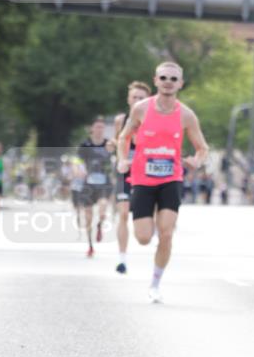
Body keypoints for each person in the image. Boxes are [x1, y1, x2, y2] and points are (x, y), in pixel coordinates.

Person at [116, 60, 209, 302]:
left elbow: (202, 148)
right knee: (144, 237)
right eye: (164, 78)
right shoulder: (141, 109)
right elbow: (124, 138)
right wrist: (122, 159)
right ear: (156, 81)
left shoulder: (186, 115)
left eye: (173, 79)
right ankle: (152, 225)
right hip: (143, 180)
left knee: (166, 234)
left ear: (180, 84)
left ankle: (155, 284)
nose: (168, 82)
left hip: (171, 178)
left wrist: (196, 161)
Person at [110, 81, 151, 274]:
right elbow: (119, 140)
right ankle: (122, 258)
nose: (137, 101)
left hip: (146, 172)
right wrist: (118, 155)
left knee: (143, 218)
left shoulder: (152, 119)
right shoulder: (121, 120)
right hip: (125, 172)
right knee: (124, 214)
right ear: (128, 99)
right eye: (134, 97)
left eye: (141, 98)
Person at [78, 117, 114, 257]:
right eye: (97, 127)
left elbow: (116, 156)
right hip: (88, 183)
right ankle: (90, 245)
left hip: (104, 183)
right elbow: (78, 161)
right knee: (88, 217)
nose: (100, 130)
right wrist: (80, 169)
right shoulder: (85, 145)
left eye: (102, 127)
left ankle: (100, 224)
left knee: (103, 207)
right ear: (91, 129)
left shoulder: (108, 144)